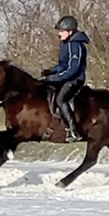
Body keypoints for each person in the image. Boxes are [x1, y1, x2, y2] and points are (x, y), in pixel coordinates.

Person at [40, 15, 90, 143]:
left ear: (70, 31)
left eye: (62, 31)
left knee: (60, 99)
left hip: (75, 79)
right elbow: (63, 65)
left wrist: (56, 77)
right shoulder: (65, 44)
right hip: (66, 77)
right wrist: (51, 71)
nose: (59, 34)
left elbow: (73, 69)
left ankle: (73, 130)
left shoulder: (76, 45)